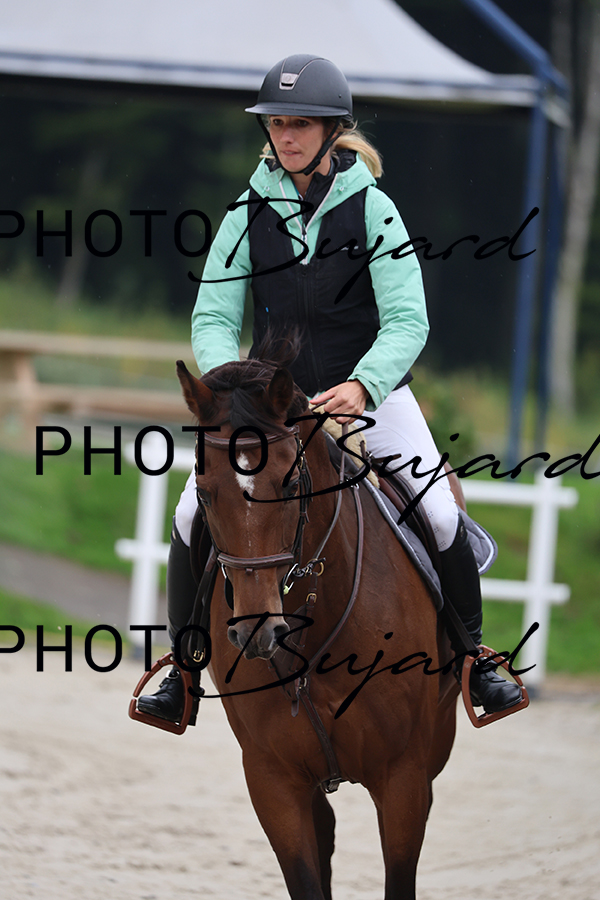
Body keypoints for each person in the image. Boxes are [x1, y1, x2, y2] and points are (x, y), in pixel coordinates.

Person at [138, 54, 522, 723]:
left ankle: (476, 660)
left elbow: (407, 319)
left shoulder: (374, 210)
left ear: (330, 130)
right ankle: (184, 670)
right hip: (271, 406)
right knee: (192, 512)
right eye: (277, 123)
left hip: (370, 396)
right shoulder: (245, 212)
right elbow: (213, 316)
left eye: (300, 124)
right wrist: (235, 393)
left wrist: (364, 385)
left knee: (437, 512)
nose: (286, 136)